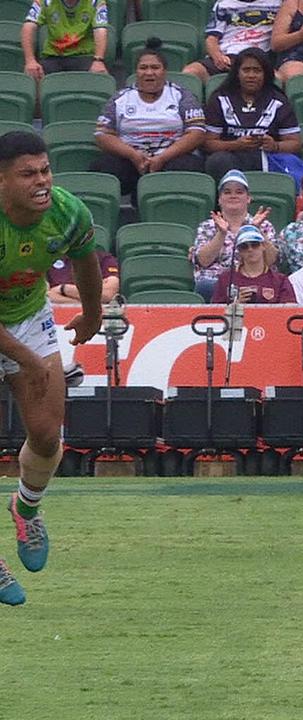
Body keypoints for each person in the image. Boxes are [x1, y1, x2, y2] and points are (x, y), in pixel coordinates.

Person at [0, 131, 103, 606]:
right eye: (28, 174)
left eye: (45, 170)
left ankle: (26, 507)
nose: (42, 182)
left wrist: (92, 313)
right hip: (12, 334)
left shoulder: (65, 210)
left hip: (26, 315)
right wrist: (28, 359)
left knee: (46, 434)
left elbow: (85, 261)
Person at [91, 39, 207, 199]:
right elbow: (102, 135)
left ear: (164, 71)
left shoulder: (181, 95)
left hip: (171, 158)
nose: (149, 73)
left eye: (155, 67)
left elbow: (197, 132)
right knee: (102, 168)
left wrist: (162, 157)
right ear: (136, 72)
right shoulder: (121, 98)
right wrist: (134, 155)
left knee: (190, 167)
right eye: (143, 68)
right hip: (131, 159)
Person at [202, 47, 303, 180]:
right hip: (230, 158)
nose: (251, 75)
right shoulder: (220, 98)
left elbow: (295, 143)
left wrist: (275, 145)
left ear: (266, 73)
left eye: (257, 71)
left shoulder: (278, 100)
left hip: (267, 158)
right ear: (237, 73)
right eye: (246, 70)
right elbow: (208, 143)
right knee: (218, 161)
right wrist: (236, 145)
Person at [191, 169, 278, 301]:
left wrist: (256, 230)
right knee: (206, 286)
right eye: (227, 192)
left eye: (239, 192)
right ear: (219, 199)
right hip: (217, 284)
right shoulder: (207, 226)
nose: (233, 195)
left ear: (248, 198)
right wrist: (221, 234)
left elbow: (271, 260)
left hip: (255, 280)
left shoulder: (264, 225)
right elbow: (203, 261)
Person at [183, 0, 283, 82]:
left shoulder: (277, 4)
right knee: (190, 72)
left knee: (279, 79)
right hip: (228, 56)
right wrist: (218, 57)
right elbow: (211, 39)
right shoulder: (224, 5)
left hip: (260, 58)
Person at [21, 0, 110, 82]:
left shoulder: (96, 2)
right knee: (35, 74)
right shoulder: (44, 1)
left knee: (99, 76)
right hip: (53, 56)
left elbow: (100, 30)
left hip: (84, 56)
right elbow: (29, 26)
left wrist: (98, 60)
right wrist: (30, 61)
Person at [211, 224, 297, 303]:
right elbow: (215, 314)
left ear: (263, 246)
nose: (250, 249)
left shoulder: (280, 280)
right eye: (244, 246)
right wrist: (236, 304)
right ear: (239, 251)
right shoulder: (226, 279)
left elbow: (290, 310)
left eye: (254, 244)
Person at [46, 250, 118, 305]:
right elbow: (46, 296)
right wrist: (90, 304)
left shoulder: (105, 259)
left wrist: (63, 289)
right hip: (57, 317)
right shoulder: (48, 259)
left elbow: (107, 294)